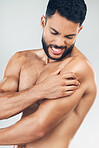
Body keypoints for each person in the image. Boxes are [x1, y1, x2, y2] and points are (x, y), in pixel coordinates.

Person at [0, 0, 97, 148]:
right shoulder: (20, 59)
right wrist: (40, 90)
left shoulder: (78, 68)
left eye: (69, 36)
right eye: (54, 32)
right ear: (43, 22)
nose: (59, 43)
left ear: (79, 30)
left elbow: (38, 127)